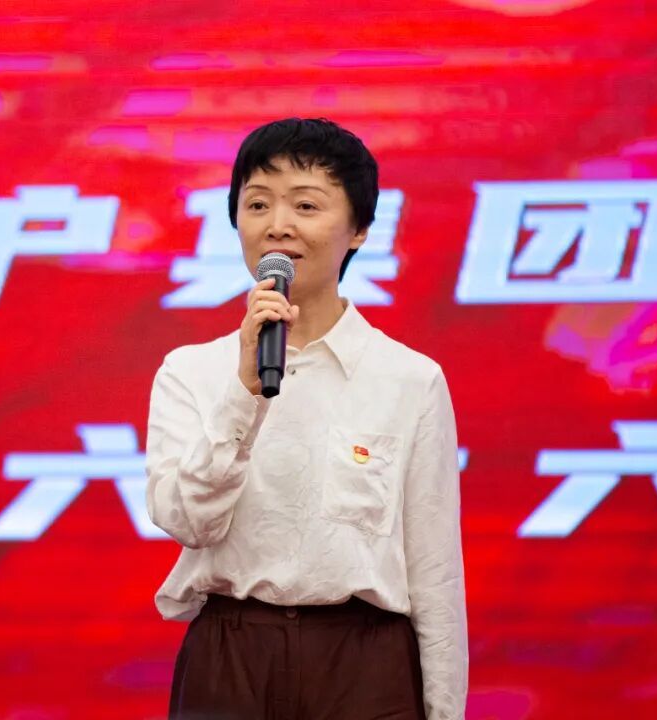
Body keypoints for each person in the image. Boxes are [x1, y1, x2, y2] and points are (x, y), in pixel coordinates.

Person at [145, 117, 468, 720]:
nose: (278, 225)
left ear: (359, 229)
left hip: (364, 664)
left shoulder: (409, 379)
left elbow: (435, 570)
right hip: (232, 654)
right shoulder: (191, 371)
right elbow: (187, 521)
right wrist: (243, 392)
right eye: (257, 204)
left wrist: (444, 709)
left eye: (306, 205)